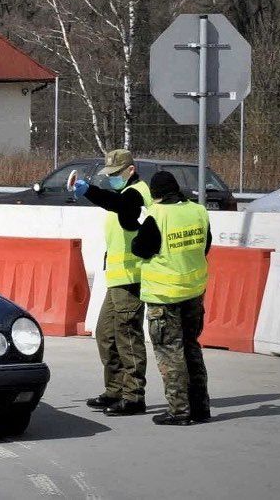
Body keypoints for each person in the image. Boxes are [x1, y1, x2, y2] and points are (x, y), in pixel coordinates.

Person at [72, 149, 152, 416]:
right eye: (110, 175)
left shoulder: (137, 193)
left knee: (127, 336)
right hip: (118, 277)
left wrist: (90, 191)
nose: (113, 179)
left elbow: (118, 205)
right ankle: (115, 390)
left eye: (116, 174)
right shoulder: (123, 194)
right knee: (106, 335)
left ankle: (133, 396)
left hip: (132, 277)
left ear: (131, 170)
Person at [131, 171, 212, 426]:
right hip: (193, 293)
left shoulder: (157, 216)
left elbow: (140, 248)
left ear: (156, 195)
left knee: (170, 353)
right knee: (191, 348)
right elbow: (205, 244)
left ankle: (179, 411)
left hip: (164, 296)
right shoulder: (198, 211)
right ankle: (200, 407)